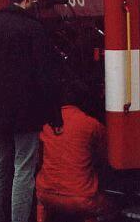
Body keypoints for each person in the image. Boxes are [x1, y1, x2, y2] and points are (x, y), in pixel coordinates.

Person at [0, 0, 62, 222]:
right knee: (23, 168)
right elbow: (45, 77)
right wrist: (55, 116)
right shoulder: (34, 30)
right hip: (26, 113)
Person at [36, 79, 117, 222]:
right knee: (111, 208)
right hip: (81, 198)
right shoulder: (91, 124)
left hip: (45, 195)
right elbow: (108, 155)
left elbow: (40, 156)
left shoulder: (47, 124)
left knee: (43, 203)